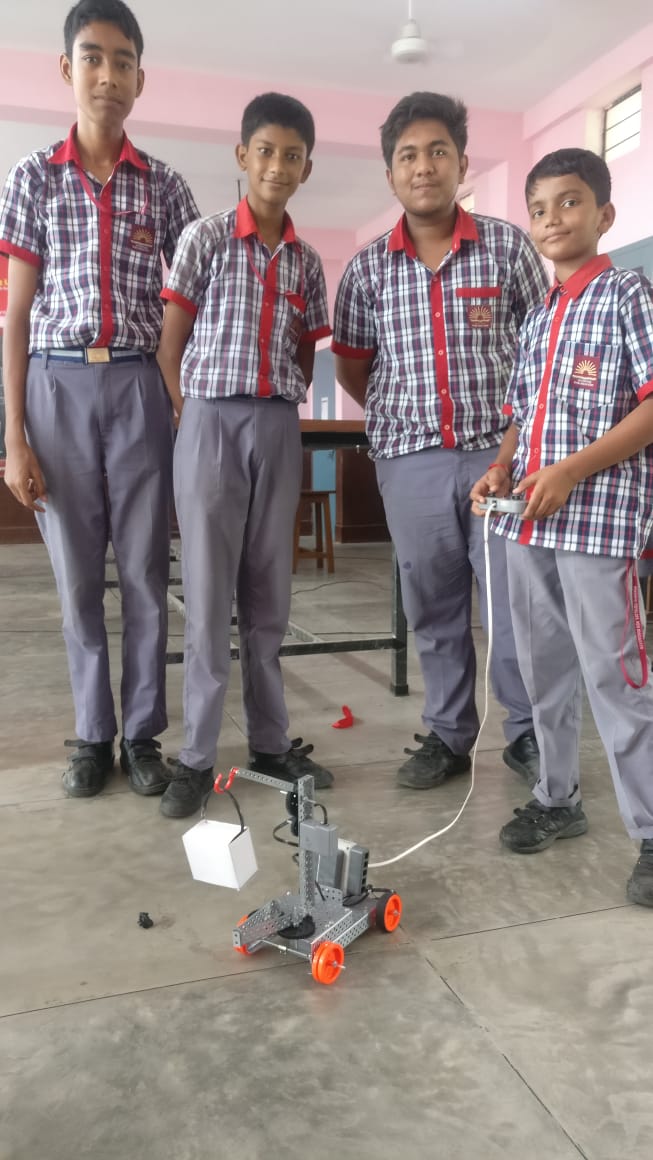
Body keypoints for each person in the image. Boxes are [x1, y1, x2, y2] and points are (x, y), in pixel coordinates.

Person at [0, 0, 199, 800]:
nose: (107, 75)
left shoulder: (166, 187)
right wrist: (14, 437)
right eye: (92, 57)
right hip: (55, 386)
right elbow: (15, 315)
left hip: (140, 384)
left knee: (146, 570)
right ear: (66, 68)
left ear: (140, 78)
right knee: (78, 577)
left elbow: (189, 302)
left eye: (122, 61)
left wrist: (181, 397)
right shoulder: (32, 178)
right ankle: (92, 734)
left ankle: (142, 735)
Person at [332, 91, 549, 791]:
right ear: (390, 174)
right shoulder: (367, 270)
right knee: (432, 605)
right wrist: (406, 424)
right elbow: (354, 367)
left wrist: (513, 448)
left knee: (512, 606)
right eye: (407, 156)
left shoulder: (508, 248)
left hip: (501, 460)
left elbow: (540, 353)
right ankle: (450, 735)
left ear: (461, 163)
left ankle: (527, 732)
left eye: (437, 152)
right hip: (410, 464)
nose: (423, 167)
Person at [470, 147, 653, 907]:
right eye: (539, 209)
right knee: (542, 670)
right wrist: (500, 468)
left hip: (599, 528)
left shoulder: (627, 294)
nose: (552, 219)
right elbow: (520, 414)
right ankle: (556, 796)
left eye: (569, 202)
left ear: (604, 214)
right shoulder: (539, 316)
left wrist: (571, 471)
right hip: (529, 527)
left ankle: (651, 832)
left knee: (614, 675)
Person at [155, 92, 334, 819]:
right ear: (242, 156)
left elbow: (304, 353)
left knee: (268, 595)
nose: (277, 166)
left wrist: (276, 408)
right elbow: (170, 346)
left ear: (306, 168)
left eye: (292, 156)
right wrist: (192, 417)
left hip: (276, 425)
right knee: (207, 596)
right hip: (209, 423)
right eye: (265, 151)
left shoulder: (306, 262)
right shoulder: (204, 239)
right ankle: (196, 756)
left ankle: (270, 742)